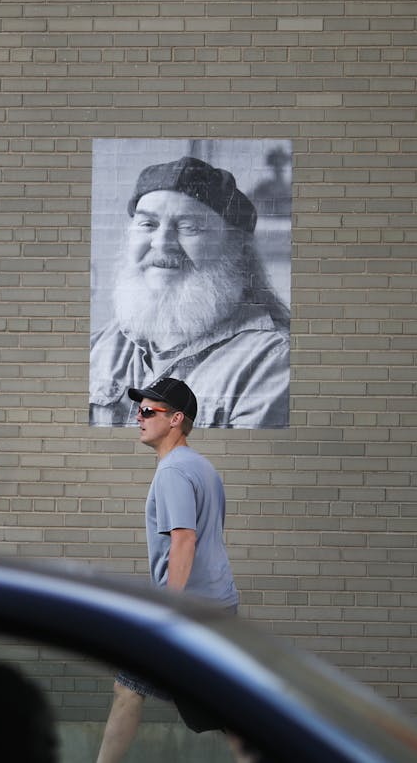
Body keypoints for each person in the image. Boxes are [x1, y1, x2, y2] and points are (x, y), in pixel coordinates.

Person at [95, 377, 250, 763]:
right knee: (223, 711)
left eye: (149, 411)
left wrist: (169, 608)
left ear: (176, 419)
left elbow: (184, 541)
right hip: (215, 605)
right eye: (139, 409)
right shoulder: (200, 466)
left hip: (190, 609)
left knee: (129, 690)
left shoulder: (173, 472)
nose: (139, 417)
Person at [90, 155, 290, 428]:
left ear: (236, 250)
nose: (162, 242)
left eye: (189, 227)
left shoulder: (271, 361)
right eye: (148, 224)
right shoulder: (100, 347)